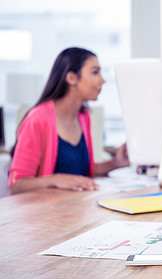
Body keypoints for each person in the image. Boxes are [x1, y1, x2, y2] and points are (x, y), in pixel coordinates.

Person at [9, 47, 129, 194]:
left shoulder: (83, 117)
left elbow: (82, 171)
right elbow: (17, 185)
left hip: (76, 208)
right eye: (95, 72)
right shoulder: (37, 119)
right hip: (46, 213)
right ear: (71, 77)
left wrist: (116, 163)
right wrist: (54, 179)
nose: (103, 80)